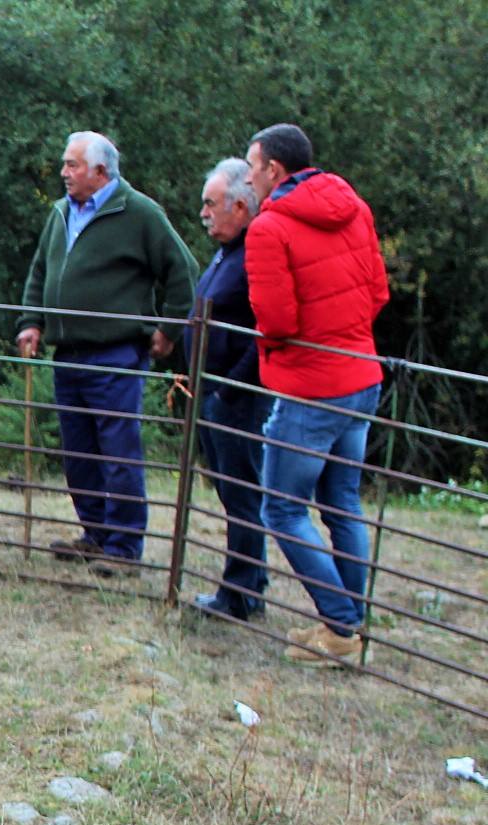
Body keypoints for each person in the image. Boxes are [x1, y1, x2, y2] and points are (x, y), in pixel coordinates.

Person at [16, 132, 197, 575]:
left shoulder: (139, 213)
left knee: (118, 451)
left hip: (116, 352)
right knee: (79, 452)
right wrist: (30, 321)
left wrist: (169, 328)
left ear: (101, 172)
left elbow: (183, 270)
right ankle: (95, 534)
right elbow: (41, 271)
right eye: (65, 164)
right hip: (69, 353)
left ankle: (124, 546)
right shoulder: (60, 213)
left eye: (72, 165)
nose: (64, 173)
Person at [242, 123, 389, 665]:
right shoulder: (356, 208)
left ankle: (341, 626)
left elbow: (276, 319)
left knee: (281, 508)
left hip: (311, 384)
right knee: (342, 503)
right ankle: (349, 624)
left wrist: (285, 347)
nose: (250, 177)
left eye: (253, 167)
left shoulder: (270, 227)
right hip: (361, 375)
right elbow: (378, 292)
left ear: (274, 170)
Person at [175, 157, 269, 620]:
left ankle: (240, 592)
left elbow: (265, 330)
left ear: (239, 205)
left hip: (237, 397)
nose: (204, 214)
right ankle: (250, 583)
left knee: (241, 493)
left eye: (211, 204)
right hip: (215, 392)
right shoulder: (228, 252)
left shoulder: (256, 253)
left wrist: (230, 389)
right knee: (234, 493)